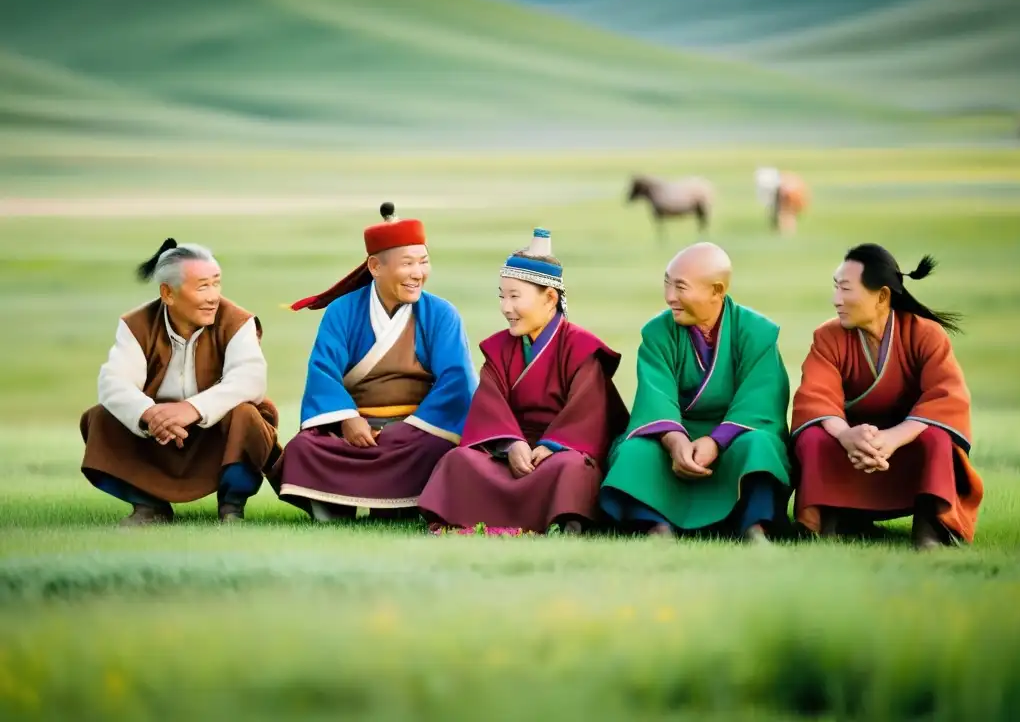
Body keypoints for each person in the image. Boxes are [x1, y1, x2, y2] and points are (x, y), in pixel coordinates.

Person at [267, 203, 477, 520]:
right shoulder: (342, 311)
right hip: (355, 431)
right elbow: (323, 373)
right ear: (375, 266)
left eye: (424, 262)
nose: (418, 273)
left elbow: (457, 381)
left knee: (439, 452)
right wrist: (348, 419)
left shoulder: (441, 314)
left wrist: (409, 429)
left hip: (415, 432)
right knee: (303, 449)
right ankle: (334, 506)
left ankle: (399, 506)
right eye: (408, 264)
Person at [418, 229, 629, 535]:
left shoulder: (581, 347)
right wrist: (511, 443)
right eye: (502, 296)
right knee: (459, 460)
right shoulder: (498, 349)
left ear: (550, 298)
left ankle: (565, 521)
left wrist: (552, 446)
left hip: (561, 451)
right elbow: (489, 405)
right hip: (508, 451)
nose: (506, 308)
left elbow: (589, 413)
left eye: (515, 297)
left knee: (571, 470)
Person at [790, 243, 983, 549]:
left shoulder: (926, 335)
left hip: (903, 447)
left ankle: (930, 528)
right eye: (835, 288)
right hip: (851, 448)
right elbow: (816, 397)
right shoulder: (827, 337)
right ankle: (828, 521)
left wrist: (893, 438)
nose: (835, 300)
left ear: (881, 296)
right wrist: (847, 435)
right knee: (813, 437)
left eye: (845, 290)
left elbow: (945, 398)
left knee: (937, 438)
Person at [599, 242, 792, 543]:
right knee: (633, 452)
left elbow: (760, 401)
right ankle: (656, 526)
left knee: (761, 446)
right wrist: (676, 444)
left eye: (680, 287)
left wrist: (716, 442)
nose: (669, 297)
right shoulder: (656, 333)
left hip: (734, 438)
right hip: (671, 438)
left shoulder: (757, 332)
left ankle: (755, 526)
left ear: (716, 291)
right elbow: (655, 399)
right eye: (667, 284)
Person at [80, 239, 282, 525]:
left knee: (246, 415)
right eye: (202, 287)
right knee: (100, 418)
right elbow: (113, 381)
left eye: (216, 284)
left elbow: (250, 379)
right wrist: (149, 414)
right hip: (159, 434)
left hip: (215, 433)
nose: (213, 296)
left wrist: (192, 409)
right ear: (168, 293)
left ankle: (231, 507)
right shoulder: (136, 324)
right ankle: (149, 506)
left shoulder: (237, 321)